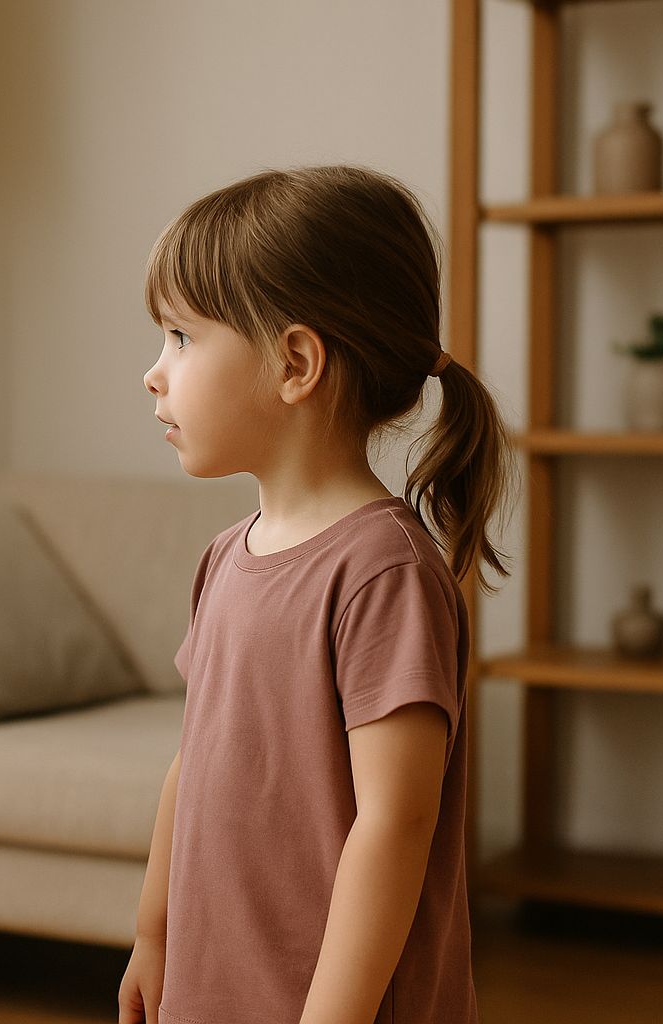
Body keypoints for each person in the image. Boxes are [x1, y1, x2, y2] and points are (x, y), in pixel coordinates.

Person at [118, 166, 512, 1024]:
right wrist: (155, 933)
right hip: (220, 982)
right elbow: (195, 766)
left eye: (182, 337)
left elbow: (395, 824)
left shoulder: (382, 572)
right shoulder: (225, 557)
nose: (155, 373)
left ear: (296, 361)